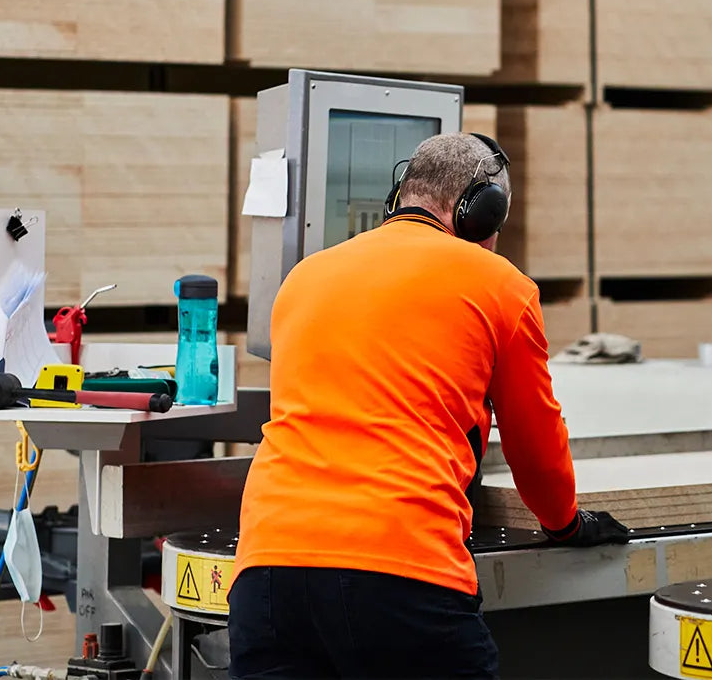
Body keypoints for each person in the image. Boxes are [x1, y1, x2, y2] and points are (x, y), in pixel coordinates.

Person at [228, 132, 630, 679]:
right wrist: (566, 525)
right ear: (482, 212)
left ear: (400, 193)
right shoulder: (501, 285)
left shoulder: (304, 277)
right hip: (402, 572)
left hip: (268, 573)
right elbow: (534, 444)